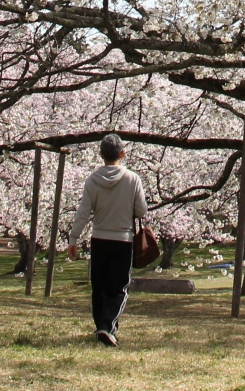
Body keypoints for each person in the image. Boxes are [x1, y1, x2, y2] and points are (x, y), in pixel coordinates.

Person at [67, 133, 148, 348]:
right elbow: (141, 211)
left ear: (101, 154)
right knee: (119, 287)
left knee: (99, 286)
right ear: (122, 153)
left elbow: (83, 212)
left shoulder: (92, 180)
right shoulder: (133, 179)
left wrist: (73, 239)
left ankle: (102, 327)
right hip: (123, 239)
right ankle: (107, 326)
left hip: (100, 238)